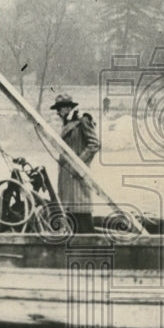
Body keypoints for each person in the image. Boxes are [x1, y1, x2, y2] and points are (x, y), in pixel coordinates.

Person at [52, 93, 100, 234]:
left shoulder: (82, 120)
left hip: (77, 175)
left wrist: (77, 163)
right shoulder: (67, 124)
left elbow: (94, 144)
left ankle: (89, 244)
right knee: (71, 213)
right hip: (67, 177)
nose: (58, 112)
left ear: (67, 108)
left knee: (81, 211)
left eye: (59, 109)